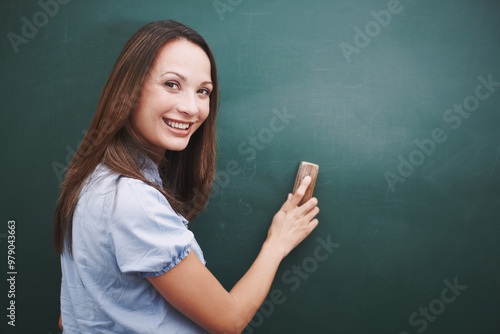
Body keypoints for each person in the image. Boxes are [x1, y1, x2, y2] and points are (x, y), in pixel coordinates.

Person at [53, 20, 319, 333]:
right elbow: (229, 321)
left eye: (203, 91)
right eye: (171, 84)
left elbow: (69, 314)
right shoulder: (135, 200)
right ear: (131, 88)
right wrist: (279, 241)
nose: (191, 108)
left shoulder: (95, 176)